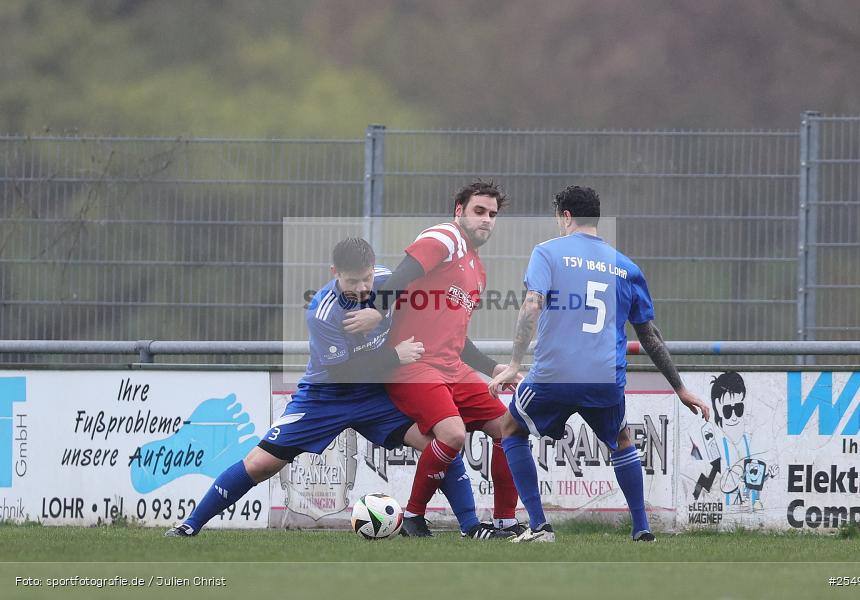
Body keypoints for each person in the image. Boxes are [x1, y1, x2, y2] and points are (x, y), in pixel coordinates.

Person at [166, 237, 499, 539]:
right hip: (325, 398)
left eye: (366, 278)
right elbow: (343, 373)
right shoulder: (323, 311)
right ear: (334, 273)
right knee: (260, 464)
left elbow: (427, 314)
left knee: (440, 440)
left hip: (374, 395)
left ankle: (470, 527)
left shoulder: (387, 283)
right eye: (352, 281)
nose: (362, 288)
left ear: (373, 269)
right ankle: (190, 525)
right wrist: (395, 356)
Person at [488, 185, 710, 543]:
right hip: (603, 378)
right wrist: (680, 389)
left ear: (565, 216)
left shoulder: (547, 252)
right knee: (621, 440)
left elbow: (531, 305)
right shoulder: (626, 267)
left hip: (554, 375)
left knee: (511, 428)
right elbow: (650, 336)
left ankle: (540, 527)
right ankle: (642, 528)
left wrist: (514, 364)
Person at [373, 181, 522, 538]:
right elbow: (399, 277)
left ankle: (504, 522)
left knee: (510, 428)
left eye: (493, 214)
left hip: (451, 367)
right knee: (453, 434)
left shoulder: (478, 269)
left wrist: (493, 368)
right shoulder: (445, 238)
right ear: (459, 211)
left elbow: (457, 335)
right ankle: (413, 517)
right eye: (479, 211)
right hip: (413, 365)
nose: (486, 220)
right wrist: (375, 316)